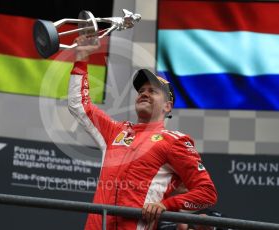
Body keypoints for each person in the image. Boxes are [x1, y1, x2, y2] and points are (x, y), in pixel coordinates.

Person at [67, 35, 217, 230]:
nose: (144, 93)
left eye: (153, 91)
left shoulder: (175, 141)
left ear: (167, 107)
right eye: (141, 91)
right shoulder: (115, 131)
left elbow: (207, 193)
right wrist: (82, 56)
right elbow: (78, 105)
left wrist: (165, 205)